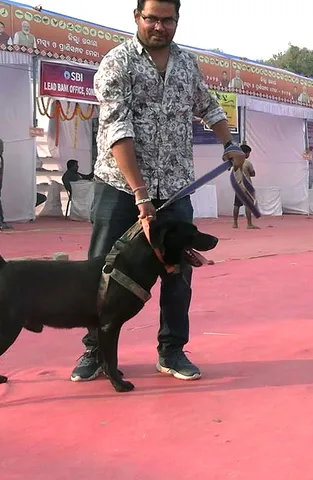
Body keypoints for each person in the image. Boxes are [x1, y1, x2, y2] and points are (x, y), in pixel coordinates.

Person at [70, 0, 247, 383]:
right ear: (137, 17)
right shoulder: (117, 63)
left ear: (177, 20)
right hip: (120, 187)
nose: (159, 26)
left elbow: (209, 107)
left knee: (179, 271)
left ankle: (172, 350)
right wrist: (140, 194)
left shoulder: (187, 64)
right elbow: (118, 130)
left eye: (168, 20)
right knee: (102, 270)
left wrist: (230, 144)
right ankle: (95, 350)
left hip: (176, 188)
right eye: (151, 18)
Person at [232, 144, 260, 229]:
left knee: (236, 205)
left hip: (237, 186)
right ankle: (249, 224)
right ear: (245, 153)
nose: (249, 155)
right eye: (248, 153)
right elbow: (253, 173)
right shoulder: (247, 163)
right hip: (246, 187)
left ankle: (235, 223)